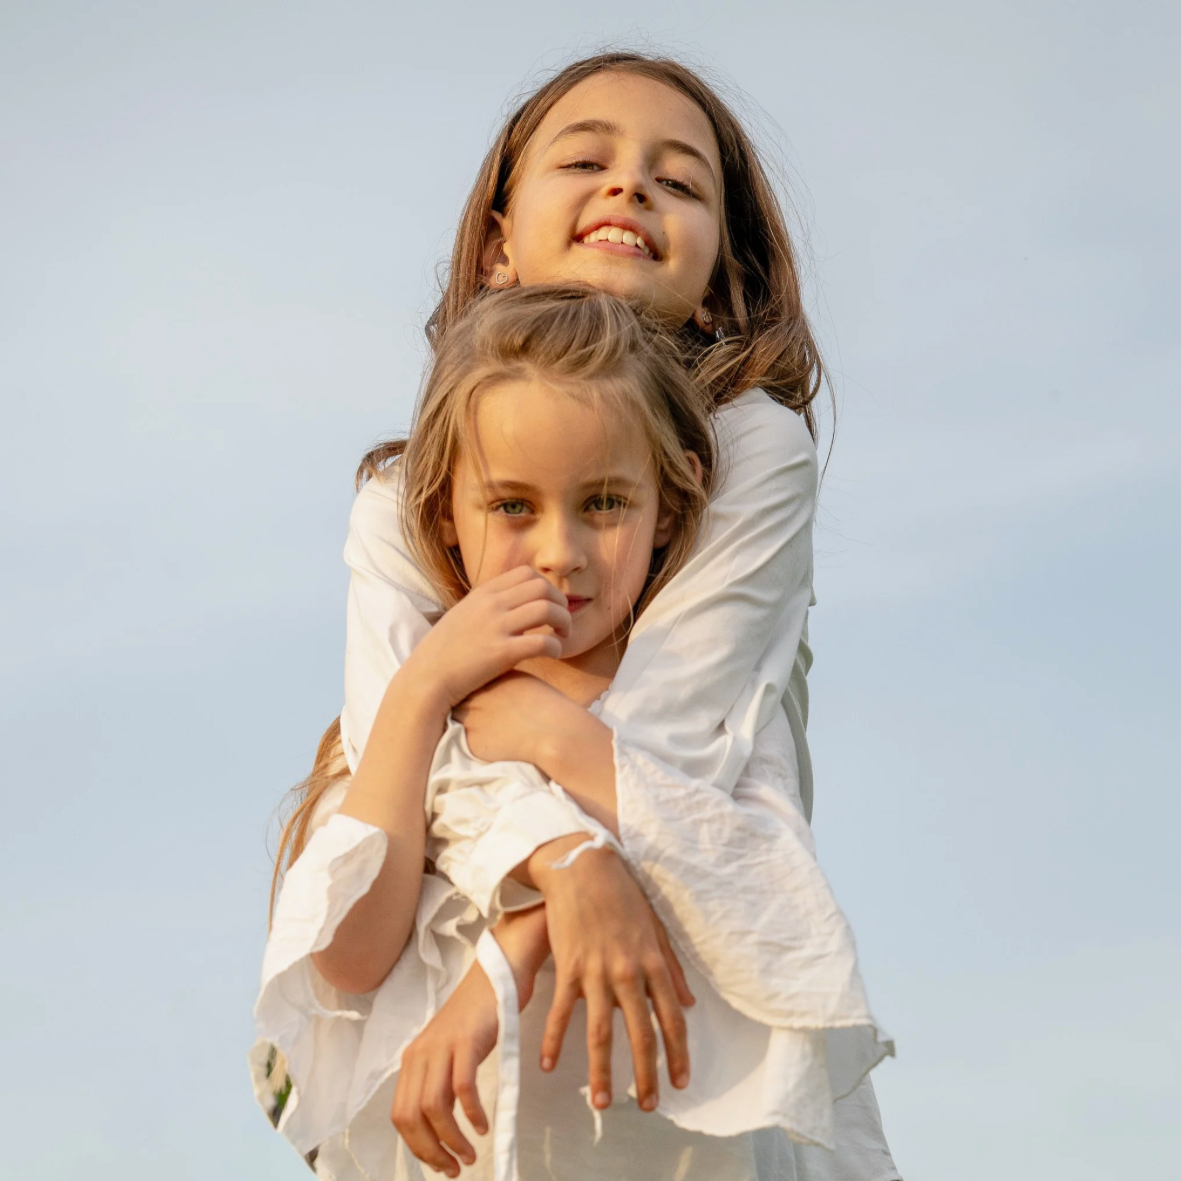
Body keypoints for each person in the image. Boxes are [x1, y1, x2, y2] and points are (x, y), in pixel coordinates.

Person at [255, 52, 902, 1181]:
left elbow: (670, 754)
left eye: (679, 181)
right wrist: (548, 841)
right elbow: (414, 750)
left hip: (661, 1032)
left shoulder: (744, 450)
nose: (630, 188)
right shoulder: (398, 498)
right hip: (447, 1065)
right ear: (499, 236)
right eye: (586, 158)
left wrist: (505, 736)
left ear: (716, 275)